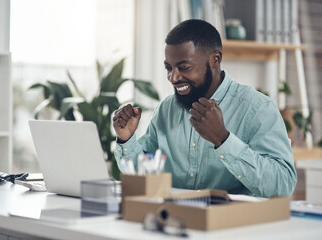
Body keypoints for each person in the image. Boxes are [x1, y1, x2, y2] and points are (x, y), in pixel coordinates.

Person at [113, 19, 296, 198]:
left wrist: (223, 139)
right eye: (169, 68)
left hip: (235, 224)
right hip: (174, 220)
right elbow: (145, 176)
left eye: (184, 67)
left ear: (215, 59)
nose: (173, 77)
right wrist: (127, 140)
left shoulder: (258, 109)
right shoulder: (166, 110)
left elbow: (283, 186)